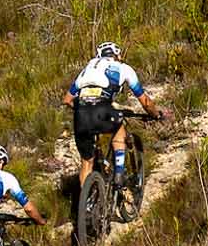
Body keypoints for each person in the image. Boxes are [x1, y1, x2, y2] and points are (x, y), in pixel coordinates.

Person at [67, 39, 166, 195]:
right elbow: (145, 101)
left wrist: (84, 109)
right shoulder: (123, 68)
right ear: (117, 55)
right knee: (119, 128)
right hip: (103, 108)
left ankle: (87, 205)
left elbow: (67, 100)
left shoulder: (87, 68)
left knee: (87, 162)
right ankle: (119, 172)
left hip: (81, 113)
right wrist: (156, 114)